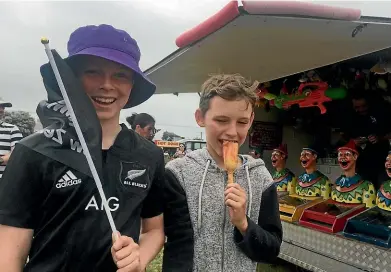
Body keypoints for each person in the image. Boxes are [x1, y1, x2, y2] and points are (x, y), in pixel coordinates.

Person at [0, 24, 165, 271]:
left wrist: (138, 255)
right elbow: (9, 250)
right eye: (93, 72)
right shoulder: (33, 152)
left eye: (120, 75)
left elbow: (154, 229)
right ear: (72, 79)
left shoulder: (149, 155)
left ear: (132, 86)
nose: (107, 85)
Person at [163, 74, 283, 271]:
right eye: (221, 120)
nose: (232, 132)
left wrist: (243, 224)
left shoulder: (260, 177)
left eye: (242, 122)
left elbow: (271, 250)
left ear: (252, 120)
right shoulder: (178, 174)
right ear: (200, 118)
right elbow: (176, 246)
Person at [343, 90, 391, 188]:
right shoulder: (350, 117)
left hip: (382, 163)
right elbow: (344, 139)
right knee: (365, 192)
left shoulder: (380, 113)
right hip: (361, 165)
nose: (361, 109)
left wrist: (380, 138)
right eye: (357, 107)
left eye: (364, 106)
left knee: (383, 190)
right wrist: (354, 142)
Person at [0, 99, 23, 179]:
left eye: (3, 107)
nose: (1, 109)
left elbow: (18, 155)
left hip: (3, 181)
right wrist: (4, 158)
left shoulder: (12, 129)